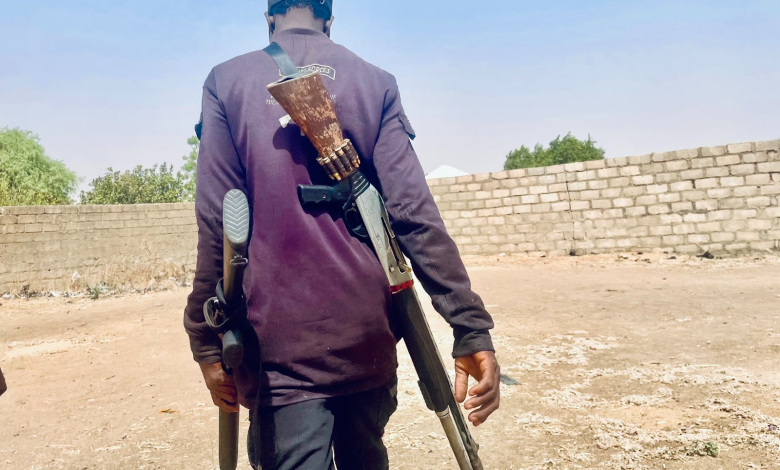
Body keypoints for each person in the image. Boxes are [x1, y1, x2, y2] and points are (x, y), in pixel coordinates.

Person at [183, 1, 500, 468]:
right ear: (330, 17)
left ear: (268, 17)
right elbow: (414, 213)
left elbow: (219, 221)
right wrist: (469, 326)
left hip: (278, 351)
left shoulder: (226, 81)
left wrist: (205, 338)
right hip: (367, 338)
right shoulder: (375, 82)